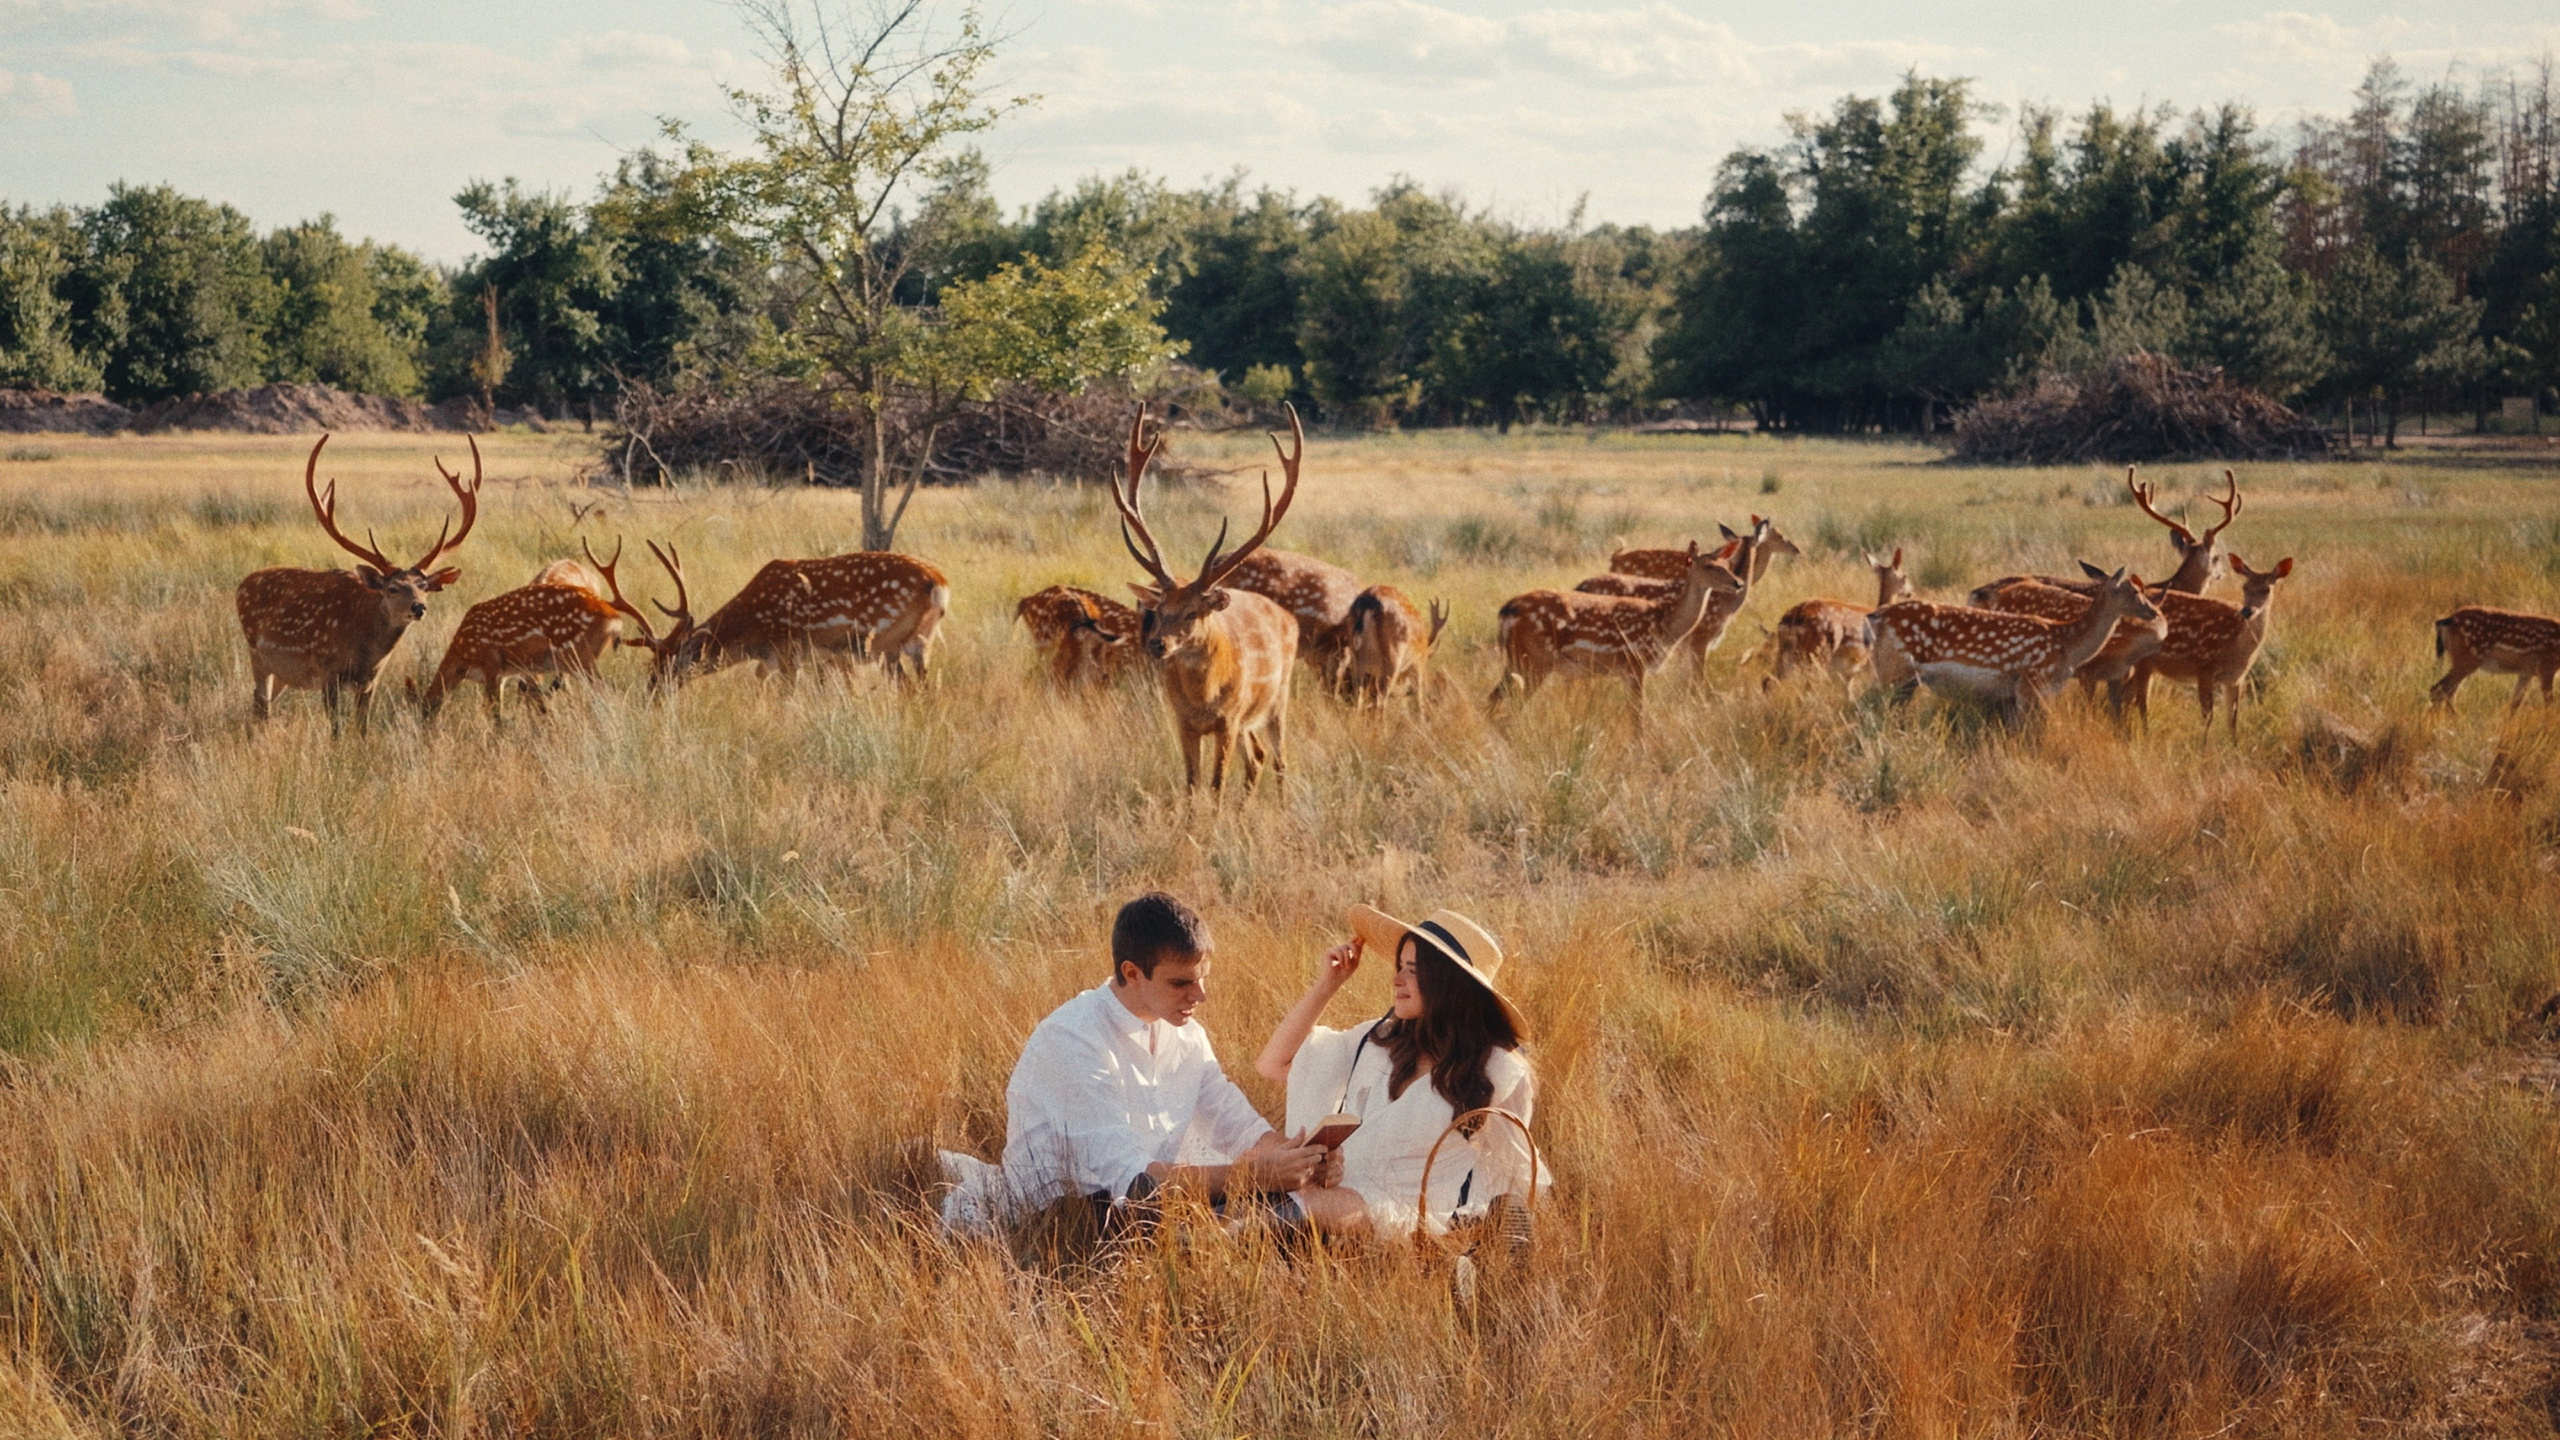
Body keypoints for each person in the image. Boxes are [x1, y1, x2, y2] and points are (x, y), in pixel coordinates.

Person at [946, 891, 1325, 1236]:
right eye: (1181, 983)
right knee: (1250, 1221)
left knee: (1301, 1215)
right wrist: (1256, 1176)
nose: (1200, 995)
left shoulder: (1187, 1035)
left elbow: (1234, 1123)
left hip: (1149, 1203)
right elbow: (1133, 1184)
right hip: (1069, 1216)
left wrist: (1299, 1159)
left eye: (1202, 980)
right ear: (1132, 973)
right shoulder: (1072, 1039)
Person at [1255, 903, 1538, 1242]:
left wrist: (1478, 1225)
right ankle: (1220, 1237)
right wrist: (1327, 984)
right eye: (1400, 966)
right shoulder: (1379, 1040)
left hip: (1417, 1216)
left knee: (1312, 1207)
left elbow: (1516, 1171)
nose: (1397, 979)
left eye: (1414, 971)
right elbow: (1274, 1064)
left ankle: (1232, 1236)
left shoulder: (1498, 1069)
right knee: (1279, 1195)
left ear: (1449, 985)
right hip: (1340, 1191)